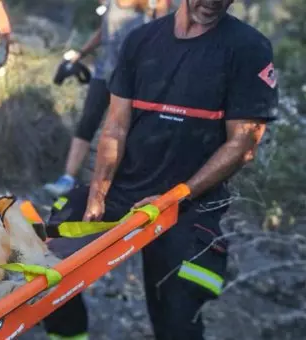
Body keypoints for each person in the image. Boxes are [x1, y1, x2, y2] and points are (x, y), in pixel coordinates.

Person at [45, 0, 279, 339]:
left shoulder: (249, 48)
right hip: (125, 189)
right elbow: (115, 127)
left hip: (190, 204)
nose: (213, 3)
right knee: (49, 260)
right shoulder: (141, 40)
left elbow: (243, 144)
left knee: (178, 310)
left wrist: (177, 196)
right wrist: (98, 193)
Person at [44, 0, 173, 197]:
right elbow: (103, 31)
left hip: (134, 77)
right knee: (88, 122)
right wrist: (81, 53)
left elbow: (164, 36)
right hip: (104, 71)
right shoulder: (111, 2)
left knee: (126, 129)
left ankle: (118, 186)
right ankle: (67, 178)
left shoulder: (153, 4)